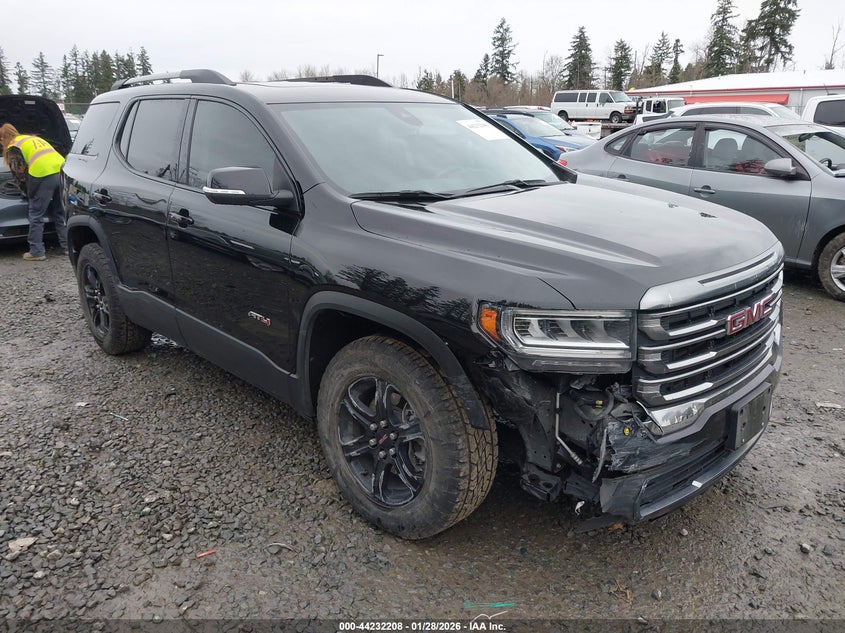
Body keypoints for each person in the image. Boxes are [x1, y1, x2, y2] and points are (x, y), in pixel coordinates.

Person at [0, 123, 68, 261]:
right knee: (60, 212)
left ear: (3, 138)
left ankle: (37, 251)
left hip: (43, 174)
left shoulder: (14, 146)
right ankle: (68, 247)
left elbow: (19, 174)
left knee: (36, 214)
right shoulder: (29, 139)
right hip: (61, 171)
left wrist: (26, 192)